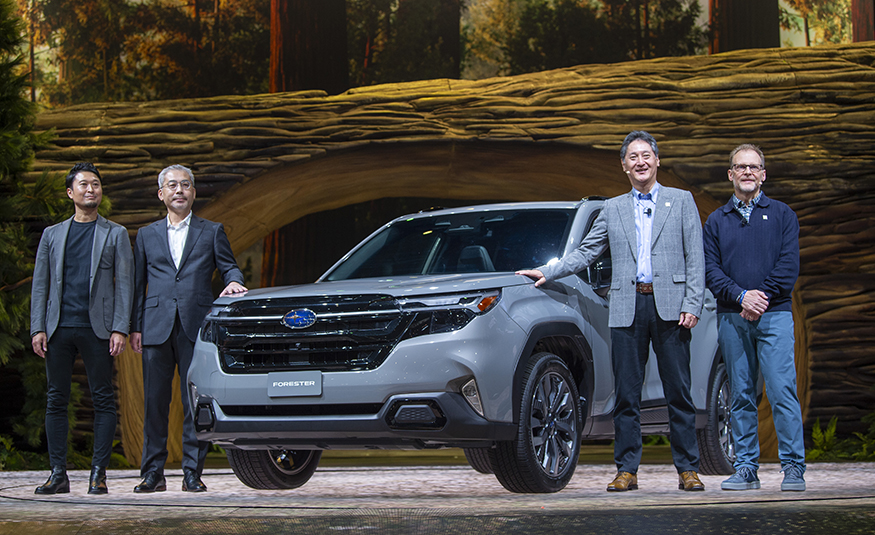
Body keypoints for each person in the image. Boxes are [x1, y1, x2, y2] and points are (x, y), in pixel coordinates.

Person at [517, 131, 706, 492]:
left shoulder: (681, 201)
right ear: (624, 165)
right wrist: (548, 270)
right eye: (633, 157)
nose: (640, 162)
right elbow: (586, 252)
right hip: (626, 307)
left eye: (646, 155)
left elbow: (696, 258)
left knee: (678, 392)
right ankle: (627, 470)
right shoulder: (613, 208)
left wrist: (692, 303)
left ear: (657, 160)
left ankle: (688, 469)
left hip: (671, 307)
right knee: (627, 394)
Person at [130, 164, 247, 493]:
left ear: (193, 193)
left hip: (196, 327)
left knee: (193, 401)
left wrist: (235, 282)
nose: (179, 190)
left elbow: (229, 267)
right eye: (172, 185)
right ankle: (152, 473)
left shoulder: (211, 231)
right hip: (154, 327)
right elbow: (138, 285)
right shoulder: (147, 234)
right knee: (155, 402)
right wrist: (135, 327)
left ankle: (192, 472)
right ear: (161, 194)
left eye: (185, 185)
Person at [703, 144, 806, 492]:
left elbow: (789, 265)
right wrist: (740, 296)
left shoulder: (782, 215)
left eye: (754, 167)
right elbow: (710, 271)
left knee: (781, 391)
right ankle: (746, 467)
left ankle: (793, 467)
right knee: (741, 395)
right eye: (740, 167)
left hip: (774, 316)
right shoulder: (716, 221)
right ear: (730, 174)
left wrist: (758, 297)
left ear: (763, 174)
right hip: (733, 318)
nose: (747, 172)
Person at [30, 162, 134, 495]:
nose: (91, 189)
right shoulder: (52, 235)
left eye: (96, 185)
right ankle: (58, 473)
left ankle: (98, 474)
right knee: (56, 399)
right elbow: (41, 285)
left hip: (99, 329)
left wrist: (120, 327)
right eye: (84, 185)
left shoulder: (115, 233)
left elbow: (126, 285)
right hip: (57, 328)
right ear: (70, 193)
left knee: (104, 400)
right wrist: (37, 328)